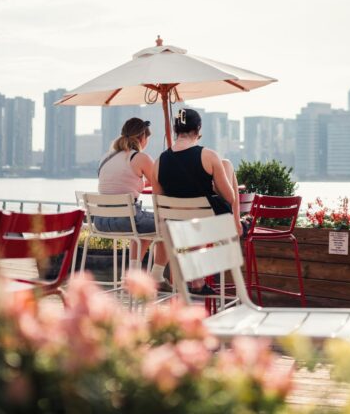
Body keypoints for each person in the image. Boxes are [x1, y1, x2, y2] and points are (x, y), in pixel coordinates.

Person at [151, 108, 242, 295]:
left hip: (175, 228)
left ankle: (195, 280)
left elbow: (162, 202)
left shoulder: (159, 161)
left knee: (195, 220)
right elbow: (230, 197)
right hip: (209, 226)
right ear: (198, 129)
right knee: (227, 166)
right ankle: (198, 281)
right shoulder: (208, 156)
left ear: (176, 130)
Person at [97, 117, 171, 292]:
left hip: (100, 220)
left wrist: (142, 184)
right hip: (125, 219)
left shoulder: (106, 157)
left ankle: (133, 276)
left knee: (143, 225)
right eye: (147, 139)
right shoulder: (140, 157)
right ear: (142, 138)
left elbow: (122, 182)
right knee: (168, 225)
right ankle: (157, 277)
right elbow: (160, 183)